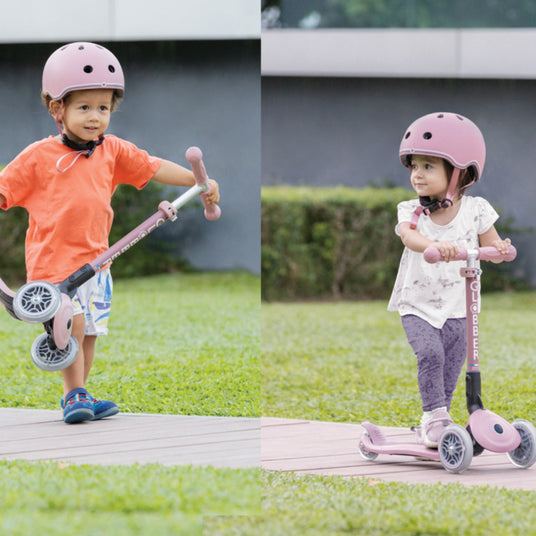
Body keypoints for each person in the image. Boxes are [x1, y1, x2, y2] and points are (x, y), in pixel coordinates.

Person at [0, 42, 220, 424]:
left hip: (98, 263)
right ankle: (73, 395)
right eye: (84, 107)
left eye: (103, 108)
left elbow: (152, 167)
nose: (95, 117)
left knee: (89, 334)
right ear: (58, 109)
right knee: (74, 325)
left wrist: (197, 181)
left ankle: (80, 392)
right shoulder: (37, 157)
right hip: (55, 269)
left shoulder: (112, 151)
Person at [387, 112, 510, 448]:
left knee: (454, 363)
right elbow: (409, 238)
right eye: (414, 166)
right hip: (418, 303)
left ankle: (446, 415)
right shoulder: (410, 209)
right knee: (430, 353)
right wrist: (433, 246)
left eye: (428, 166)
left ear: (459, 173)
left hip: (460, 306)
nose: (417, 174)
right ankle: (434, 416)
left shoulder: (477, 209)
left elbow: (491, 243)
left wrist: (500, 248)